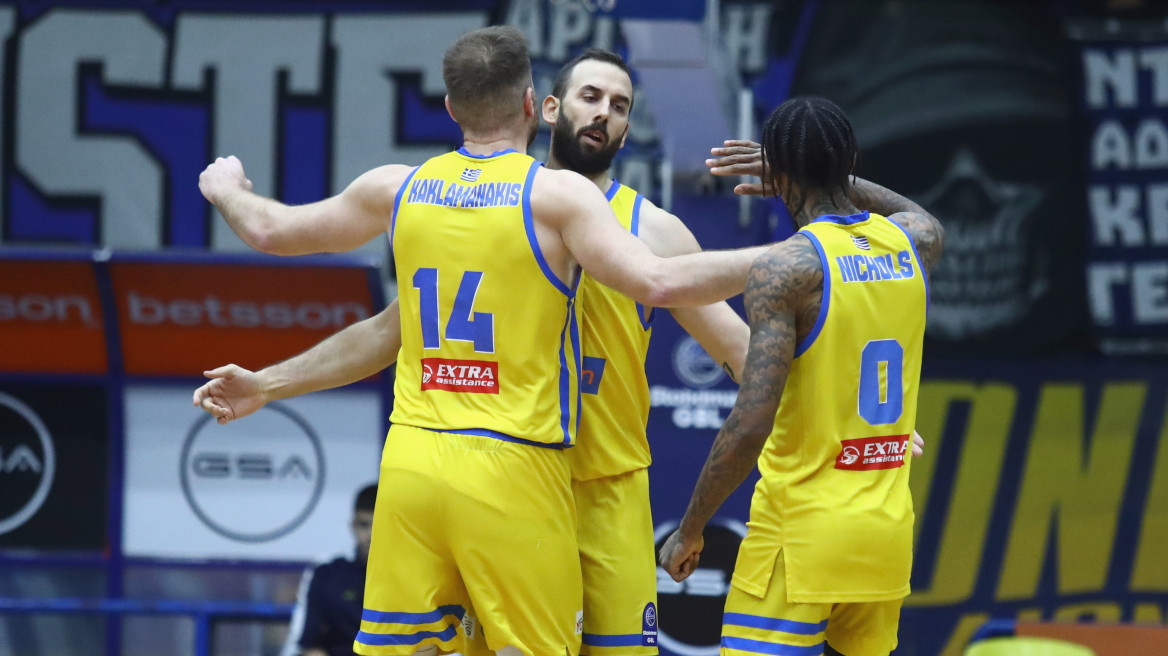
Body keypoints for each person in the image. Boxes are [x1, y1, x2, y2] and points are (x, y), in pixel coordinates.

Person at [196, 26, 768, 656]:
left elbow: (742, 353)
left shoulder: (650, 228)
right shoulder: (511, 206)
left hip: (600, 487)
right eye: (590, 96)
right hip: (516, 474)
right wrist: (271, 382)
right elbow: (389, 331)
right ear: (544, 107)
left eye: (620, 104)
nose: (604, 112)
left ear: (630, 129)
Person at [658, 96, 944, 656]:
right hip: (884, 533)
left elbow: (751, 422)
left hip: (802, 533)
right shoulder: (913, 243)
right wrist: (827, 168)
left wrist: (690, 529)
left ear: (778, 175)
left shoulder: (788, 268)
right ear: (850, 162)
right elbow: (919, 213)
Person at [283, 484, 377, 656]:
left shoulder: (413, 581)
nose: (371, 535)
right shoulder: (328, 576)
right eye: (365, 525)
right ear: (353, 526)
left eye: (379, 526)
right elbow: (309, 647)